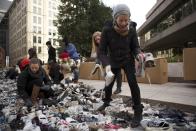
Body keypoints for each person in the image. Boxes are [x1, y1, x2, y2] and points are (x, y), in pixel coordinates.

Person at [97, 4, 144, 128]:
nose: (123, 23)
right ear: (115, 19)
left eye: (126, 20)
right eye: (121, 20)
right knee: (108, 83)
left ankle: (138, 111)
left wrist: (138, 54)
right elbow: (101, 51)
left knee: (133, 83)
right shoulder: (107, 30)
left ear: (129, 18)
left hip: (127, 59)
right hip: (113, 60)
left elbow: (135, 47)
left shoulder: (132, 30)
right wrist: (106, 64)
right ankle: (106, 102)